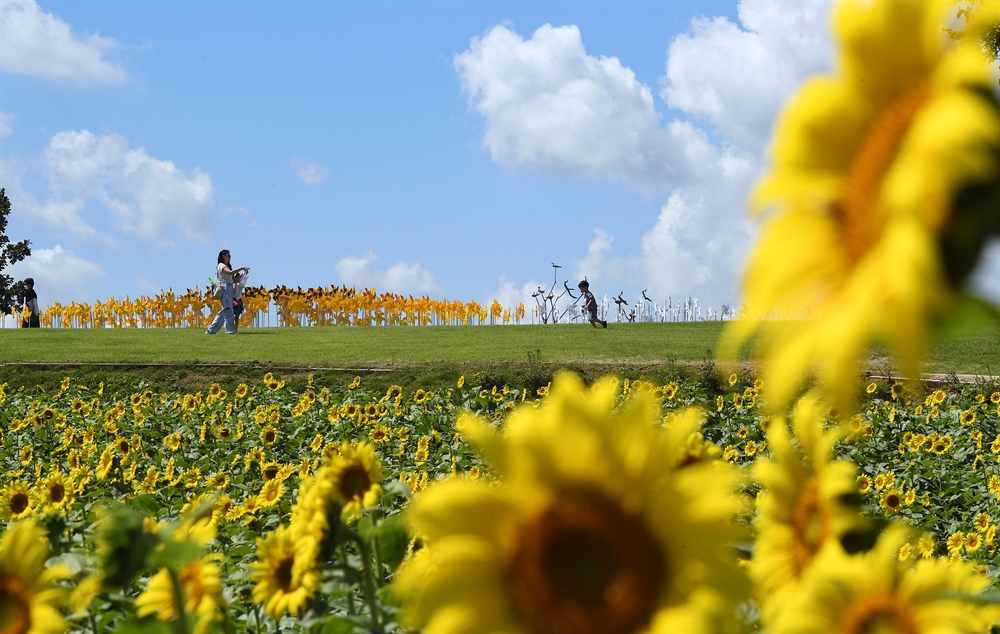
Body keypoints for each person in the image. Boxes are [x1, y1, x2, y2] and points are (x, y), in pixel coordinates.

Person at [206, 250, 249, 335]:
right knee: (228, 309)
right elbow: (229, 272)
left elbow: (233, 280)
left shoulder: (226, 266)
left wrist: (242, 275)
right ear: (223, 256)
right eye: (228, 255)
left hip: (228, 288)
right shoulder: (221, 265)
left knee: (226, 309)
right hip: (225, 289)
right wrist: (241, 267)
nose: (229, 257)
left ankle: (211, 330)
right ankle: (230, 330)